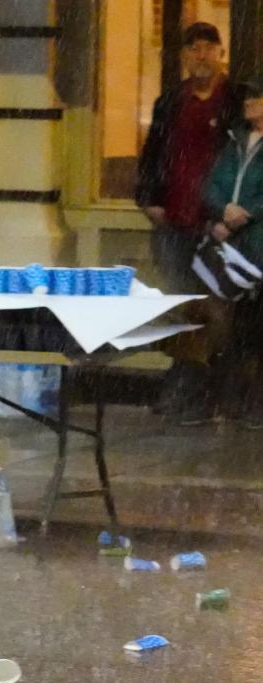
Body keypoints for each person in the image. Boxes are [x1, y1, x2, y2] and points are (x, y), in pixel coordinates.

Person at [137, 22, 246, 425]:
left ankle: (210, 387)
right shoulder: (170, 102)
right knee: (179, 305)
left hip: (218, 226)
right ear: (184, 56)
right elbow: (151, 155)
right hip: (175, 224)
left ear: (221, 54)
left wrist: (230, 212)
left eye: (208, 48)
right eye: (193, 49)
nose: (200, 56)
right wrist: (148, 199)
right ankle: (187, 386)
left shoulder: (235, 102)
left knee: (217, 310)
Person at [205, 77, 263, 428]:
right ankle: (232, 400)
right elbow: (212, 182)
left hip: (256, 243)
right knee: (232, 327)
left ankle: (255, 404)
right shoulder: (235, 141)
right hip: (234, 248)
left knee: (257, 328)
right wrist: (222, 209)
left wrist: (246, 213)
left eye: (256, 97)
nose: (248, 103)